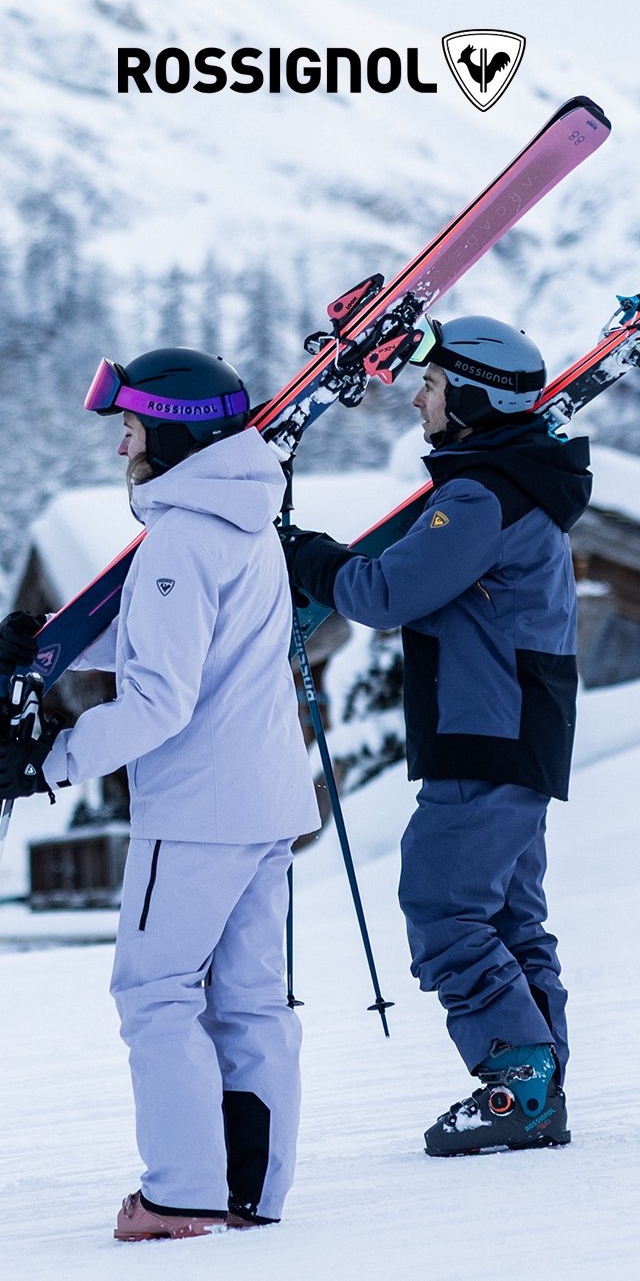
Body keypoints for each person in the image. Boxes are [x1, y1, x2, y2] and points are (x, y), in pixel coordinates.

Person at [0, 347, 320, 1237]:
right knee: (252, 1001)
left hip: (197, 811)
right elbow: (182, 643)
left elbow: (159, 700)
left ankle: (180, 1192)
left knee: (156, 992)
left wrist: (50, 760)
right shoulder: (242, 518)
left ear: (176, 434)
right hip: (264, 802)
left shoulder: (182, 536)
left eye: (132, 428)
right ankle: (250, 1191)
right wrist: (53, 645)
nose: (122, 448)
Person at [280, 315, 592, 1157]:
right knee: (504, 910)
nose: (418, 400)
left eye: (431, 386)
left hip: (485, 730)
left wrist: (303, 556)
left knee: (445, 905)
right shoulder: (517, 485)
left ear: (473, 396)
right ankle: (535, 1080)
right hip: (517, 729)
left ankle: (517, 1087)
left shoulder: (482, 494)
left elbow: (384, 596)